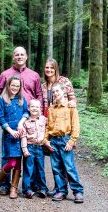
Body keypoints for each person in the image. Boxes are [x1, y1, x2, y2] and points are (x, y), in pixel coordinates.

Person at [0, 46, 43, 195]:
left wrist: (39, 116)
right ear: (13, 57)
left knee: (29, 155)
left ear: (26, 57)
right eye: (17, 55)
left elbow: (39, 95)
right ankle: (4, 185)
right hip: (10, 121)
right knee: (8, 156)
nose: (19, 57)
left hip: (29, 121)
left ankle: (28, 186)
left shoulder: (34, 75)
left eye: (22, 54)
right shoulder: (5, 75)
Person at [43, 82, 84, 203]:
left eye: (58, 91)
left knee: (69, 167)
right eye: (54, 92)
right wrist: (46, 140)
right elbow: (48, 127)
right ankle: (61, 190)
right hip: (53, 141)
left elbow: (75, 126)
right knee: (56, 168)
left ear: (64, 91)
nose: (56, 94)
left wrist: (71, 141)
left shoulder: (70, 107)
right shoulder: (51, 109)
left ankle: (78, 191)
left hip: (65, 139)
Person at [42, 58, 77, 196]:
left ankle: (68, 188)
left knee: (65, 159)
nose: (49, 70)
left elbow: (73, 99)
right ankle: (59, 188)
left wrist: (71, 104)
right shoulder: (44, 86)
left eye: (51, 68)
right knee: (54, 158)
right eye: (46, 68)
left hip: (63, 122)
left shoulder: (64, 81)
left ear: (56, 68)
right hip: (49, 122)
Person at [0, 75, 29, 199]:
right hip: (9, 135)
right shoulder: (2, 100)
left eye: (17, 86)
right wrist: (10, 131)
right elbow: (0, 118)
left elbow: (26, 112)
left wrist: (20, 123)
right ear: (8, 85)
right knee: (11, 162)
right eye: (13, 85)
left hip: (20, 135)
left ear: (20, 88)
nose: (15, 88)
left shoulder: (22, 99)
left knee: (18, 163)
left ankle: (14, 188)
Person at [21, 99, 51, 199]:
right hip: (29, 147)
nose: (35, 108)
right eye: (32, 106)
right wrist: (24, 149)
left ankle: (43, 188)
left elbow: (48, 130)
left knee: (40, 168)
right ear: (28, 108)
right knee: (28, 169)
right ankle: (27, 189)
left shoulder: (44, 119)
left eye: (37, 107)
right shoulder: (25, 122)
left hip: (40, 148)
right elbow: (23, 137)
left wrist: (47, 141)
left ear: (40, 109)